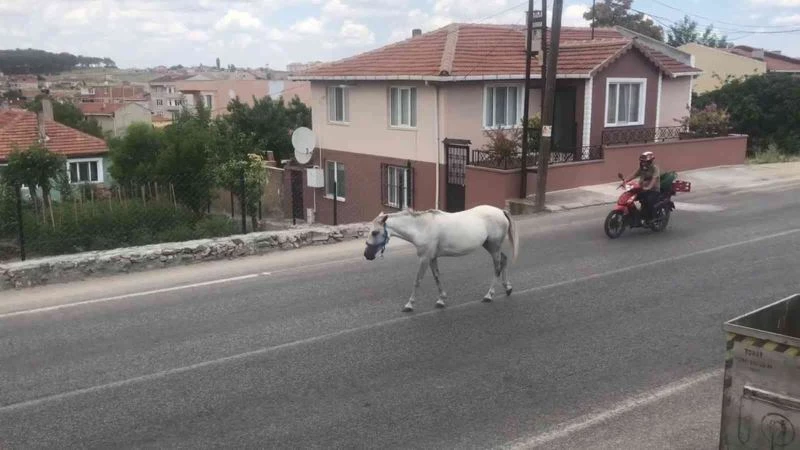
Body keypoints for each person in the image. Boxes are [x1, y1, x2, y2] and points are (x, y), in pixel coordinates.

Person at [623, 151, 660, 223]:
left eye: (645, 161)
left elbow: (654, 179)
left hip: (653, 190)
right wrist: (625, 181)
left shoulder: (655, 168)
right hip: (642, 188)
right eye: (642, 161)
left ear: (650, 161)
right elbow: (634, 175)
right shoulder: (642, 168)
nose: (643, 163)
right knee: (630, 198)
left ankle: (650, 218)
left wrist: (649, 187)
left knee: (649, 201)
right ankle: (635, 215)